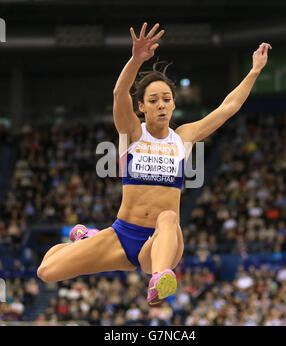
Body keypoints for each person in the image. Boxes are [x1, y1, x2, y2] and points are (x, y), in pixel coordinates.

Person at [37, 22, 271, 307]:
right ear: (141, 107)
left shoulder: (183, 137)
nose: (161, 104)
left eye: (166, 99)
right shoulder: (132, 133)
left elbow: (228, 107)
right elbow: (118, 94)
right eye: (153, 100)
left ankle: (160, 278)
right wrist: (136, 60)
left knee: (169, 216)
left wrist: (255, 70)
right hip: (122, 234)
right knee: (47, 271)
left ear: (173, 105)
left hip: (163, 241)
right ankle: (85, 238)